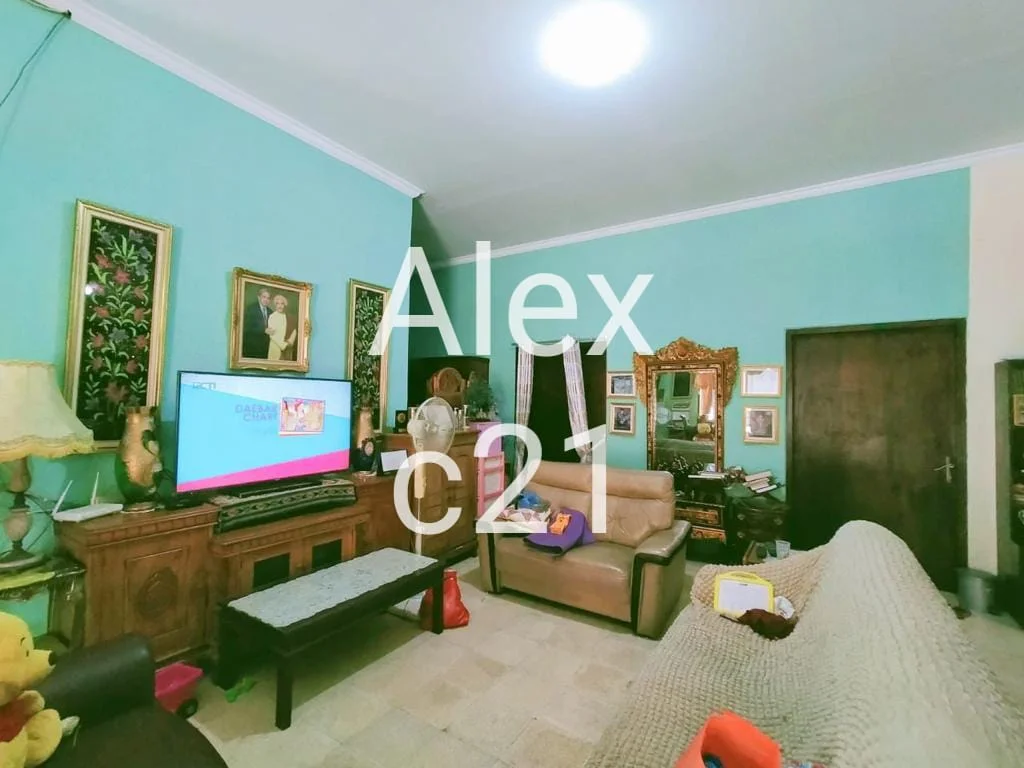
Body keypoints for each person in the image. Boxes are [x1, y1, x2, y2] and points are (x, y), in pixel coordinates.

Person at [242, 287, 272, 359]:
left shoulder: (271, 312)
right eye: (264, 297)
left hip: (265, 349)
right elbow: (246, 328)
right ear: (258, 297)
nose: (266, 300)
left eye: (268, 298)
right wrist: (263, 330)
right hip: (252, 347)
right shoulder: (250, 309)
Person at [267, 294, 297, 361]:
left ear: (285, 305)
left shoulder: (289, 317)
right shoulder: (272, 316)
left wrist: (290, 342)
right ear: (275, 305)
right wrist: (283, 345)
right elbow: (272, 334)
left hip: (287, 348)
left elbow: (294, 330)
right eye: (278, 304)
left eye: (282, 304)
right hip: (275, 347)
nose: (280, 306)